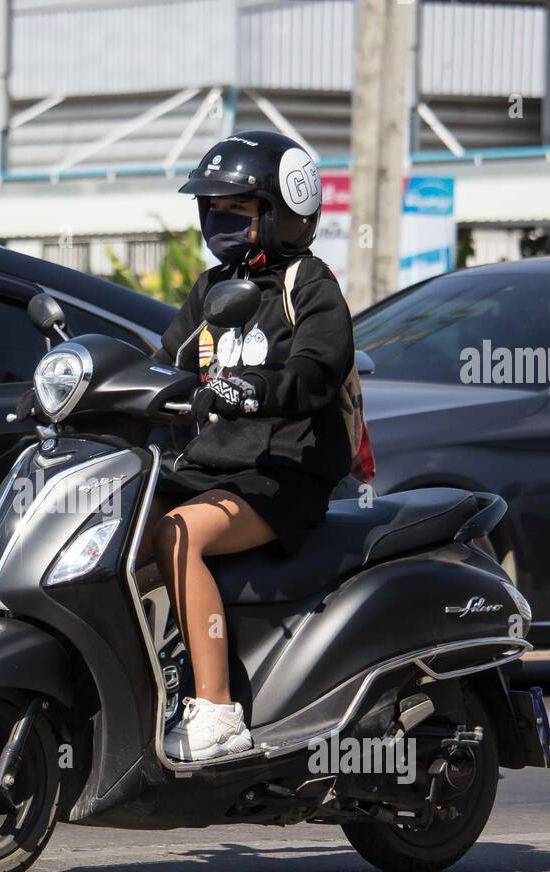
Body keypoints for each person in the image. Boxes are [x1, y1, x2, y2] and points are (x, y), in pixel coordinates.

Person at [148, 130, 358, 762]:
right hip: (215, 470)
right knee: (111, 526)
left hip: (282, 475)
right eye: (212, 209)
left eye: (238, 209)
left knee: (177, 535)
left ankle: (216, 711)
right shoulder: (213, 289)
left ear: (283, 209)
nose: (220, 221)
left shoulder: (311, 285)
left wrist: (255, 389)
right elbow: (165, 364)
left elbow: (317, 373)